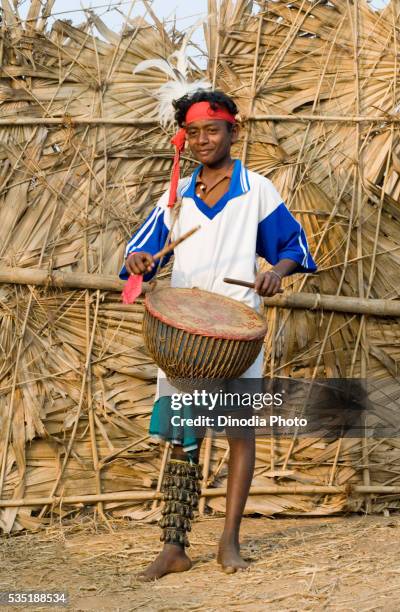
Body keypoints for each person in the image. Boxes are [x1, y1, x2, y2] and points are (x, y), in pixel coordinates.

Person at [120, 89, 316, 580]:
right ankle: (175, 546)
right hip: (186, 333)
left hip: (236, 332)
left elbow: (294, 245)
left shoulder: (257, 191)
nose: (202, 140)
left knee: (238, 431)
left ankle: (229, 540)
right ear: (183, 138)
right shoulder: (177, 194)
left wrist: (277, 273)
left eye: (213, 130)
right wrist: (139, 261)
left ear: (234, 131)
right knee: (183, 436)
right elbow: (140, 251)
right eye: (194, 132)